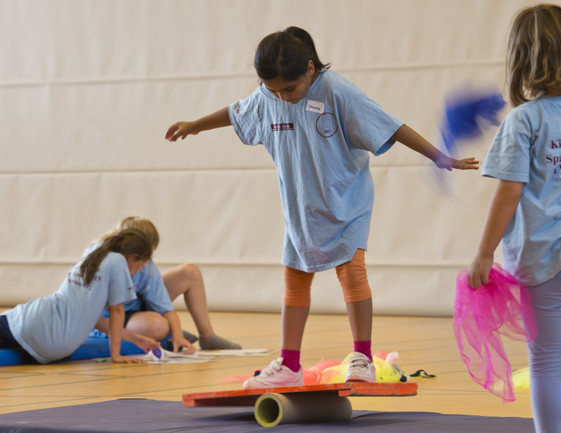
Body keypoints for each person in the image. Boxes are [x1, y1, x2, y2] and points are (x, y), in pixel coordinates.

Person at [165, 26, 479, 389]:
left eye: (289, 89)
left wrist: (440, 157)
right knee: (295, 281)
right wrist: (196, 126)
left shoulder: (338, 91)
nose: (282, 97)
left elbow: (390, 127)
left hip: (346, 202)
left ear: (310, 70)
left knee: (351, 273)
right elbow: (237, 113)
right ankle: (289, 364)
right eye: (273, 91)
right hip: (301, 208)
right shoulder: (270, 97)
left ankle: (362, 357)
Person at [466, 5, 561, 433]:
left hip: (550, 263)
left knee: (548, 363)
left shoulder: (525, 120)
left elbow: (509, 190)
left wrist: (484, 253)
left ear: (521, 59)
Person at [0, 228, 156, 364]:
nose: (134, 272)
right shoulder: (118, 261)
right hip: (55, 348)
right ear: (130, 257)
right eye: (138, 266)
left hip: (36, 325)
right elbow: (116, 311)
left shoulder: (96, 251)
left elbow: (104, 316)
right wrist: (117, 354)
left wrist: (135, 340)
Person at [93, 217, 241, 353]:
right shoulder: (106, 262)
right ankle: (164, 331)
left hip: (136, 308)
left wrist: (177, 335)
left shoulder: (146, 266)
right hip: (112, 317)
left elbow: (165, 307)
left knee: (190, 272)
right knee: (158, 327)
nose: (144, 263)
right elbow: (112, 309)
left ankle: (207, 336)